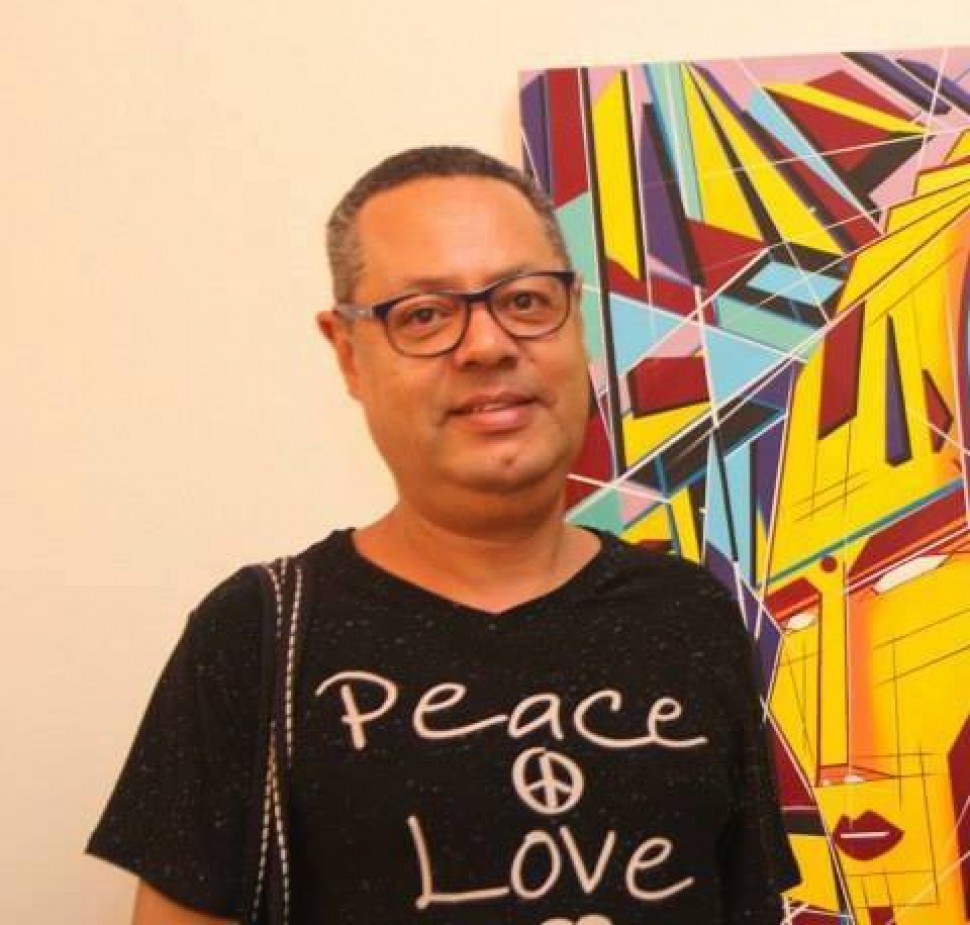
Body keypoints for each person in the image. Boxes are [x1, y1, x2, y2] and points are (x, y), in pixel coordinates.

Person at [87, 146, 801, 924]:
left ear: (575, 319)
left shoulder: (689, 615)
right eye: (424, 315)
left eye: (525, 300)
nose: (488, 345)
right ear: (348, 353)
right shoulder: (258, 633)